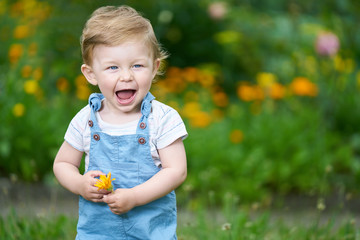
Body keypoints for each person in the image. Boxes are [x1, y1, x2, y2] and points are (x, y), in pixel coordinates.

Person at [53, 5, 188, 239]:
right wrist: (80, 184)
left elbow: (176, 171)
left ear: (154, 67)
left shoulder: (162, 118)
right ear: (91, 74)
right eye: (112, 67)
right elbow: (62, 164)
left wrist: (135, 196)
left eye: (137, 65)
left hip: (150, 231)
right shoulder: (86, 119)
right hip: (97, 231)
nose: (126, 76)